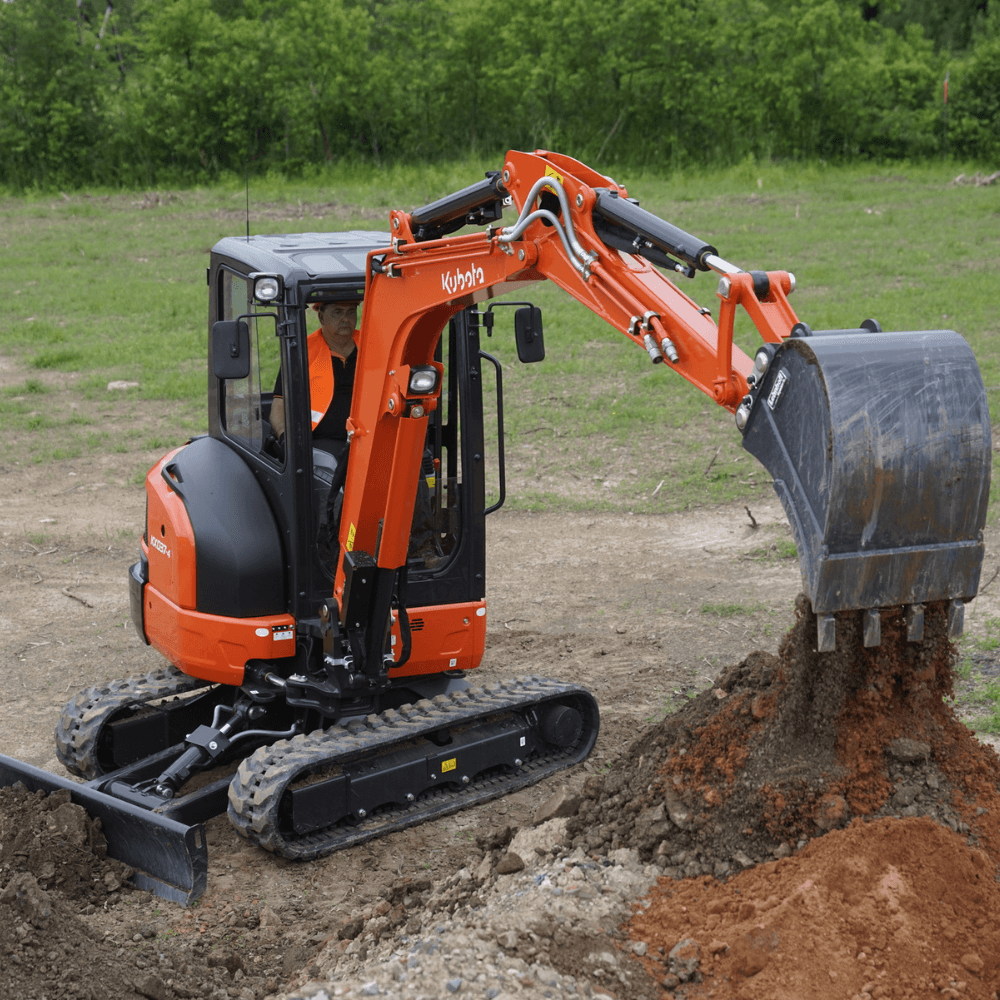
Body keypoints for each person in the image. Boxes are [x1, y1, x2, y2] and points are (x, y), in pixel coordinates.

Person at [269, 300, 359, 451]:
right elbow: (279, 405)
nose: (346, 319)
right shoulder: (300, 352)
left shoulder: (373, 346)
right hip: (317, 444)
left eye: (351, 311)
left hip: (369, 439)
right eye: (338, 312)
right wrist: (286, 440)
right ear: (321, 317)